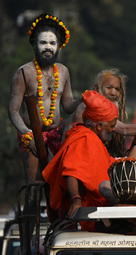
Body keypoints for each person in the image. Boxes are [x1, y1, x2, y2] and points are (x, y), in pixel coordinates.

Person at [7, 13, 81, 253]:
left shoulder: (64, 71)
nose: (47, 47)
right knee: (34, 188)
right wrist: (27, 135)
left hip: (56, 136)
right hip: (31, 137)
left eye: (52, 43)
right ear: (34, 44)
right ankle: (29, 243)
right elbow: (13, 110)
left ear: (59, 46)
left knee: (59, 188)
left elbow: (68, 105)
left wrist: (87, 101)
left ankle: (60, 238)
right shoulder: (24, 72)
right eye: (43, 42)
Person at [42, 90, 118, 231]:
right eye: (112, 125)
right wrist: (76, 199)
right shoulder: (84, 138)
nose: (114, 129)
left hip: (98, 208)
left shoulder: (92, 139)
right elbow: (71, 171)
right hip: (84, 209)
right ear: (99, 126)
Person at [61, 68, 136, 157]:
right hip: (73, 154)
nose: (113, 93)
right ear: (97, 88)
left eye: (117, 89)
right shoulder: (88, 106)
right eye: (109, 88)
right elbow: (124, 129)